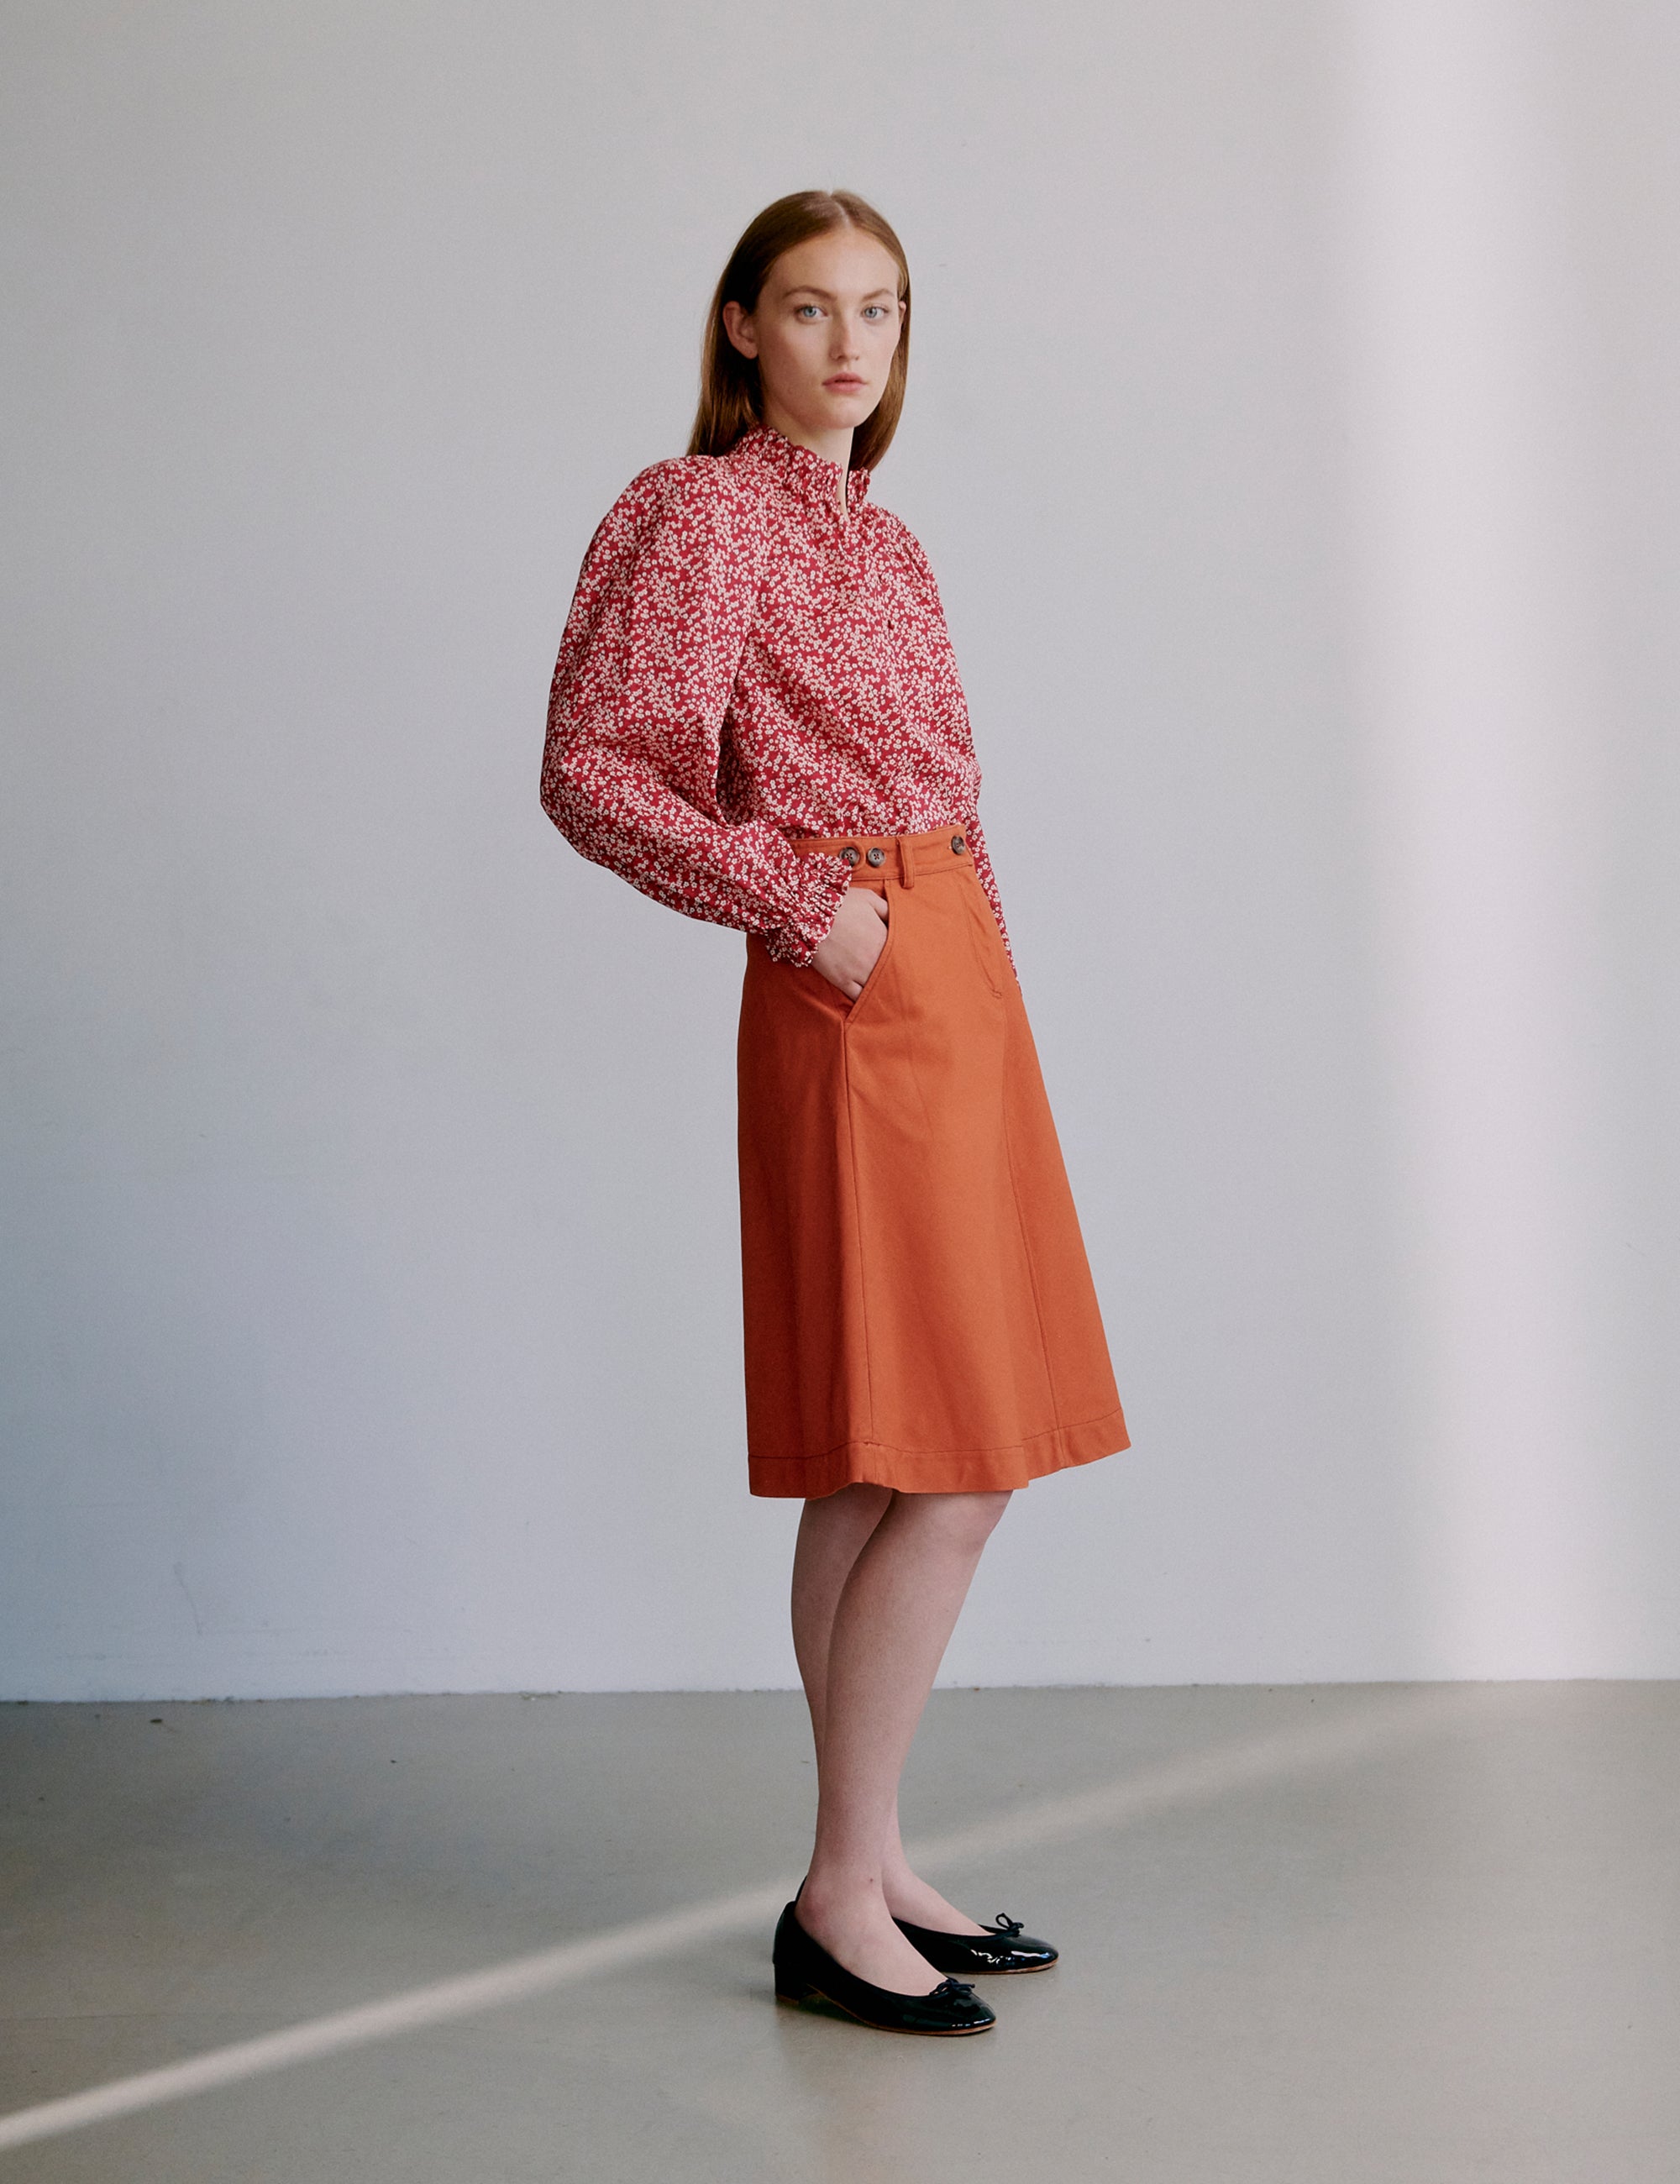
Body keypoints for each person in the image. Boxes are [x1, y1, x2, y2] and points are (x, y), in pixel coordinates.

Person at [541, 190, 1129, 2037]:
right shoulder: (698, 511)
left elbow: (954, 794)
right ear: (739, 327)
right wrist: (813, 913)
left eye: (878, 309)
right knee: (953, 1453)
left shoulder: (891, 539)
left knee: (892, 1451)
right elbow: (591, 766)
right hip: (852, 979)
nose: (850, 345)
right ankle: (827, 1890)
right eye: (808, 308)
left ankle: (865, 1863)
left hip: (950, 972)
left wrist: (983, 975)